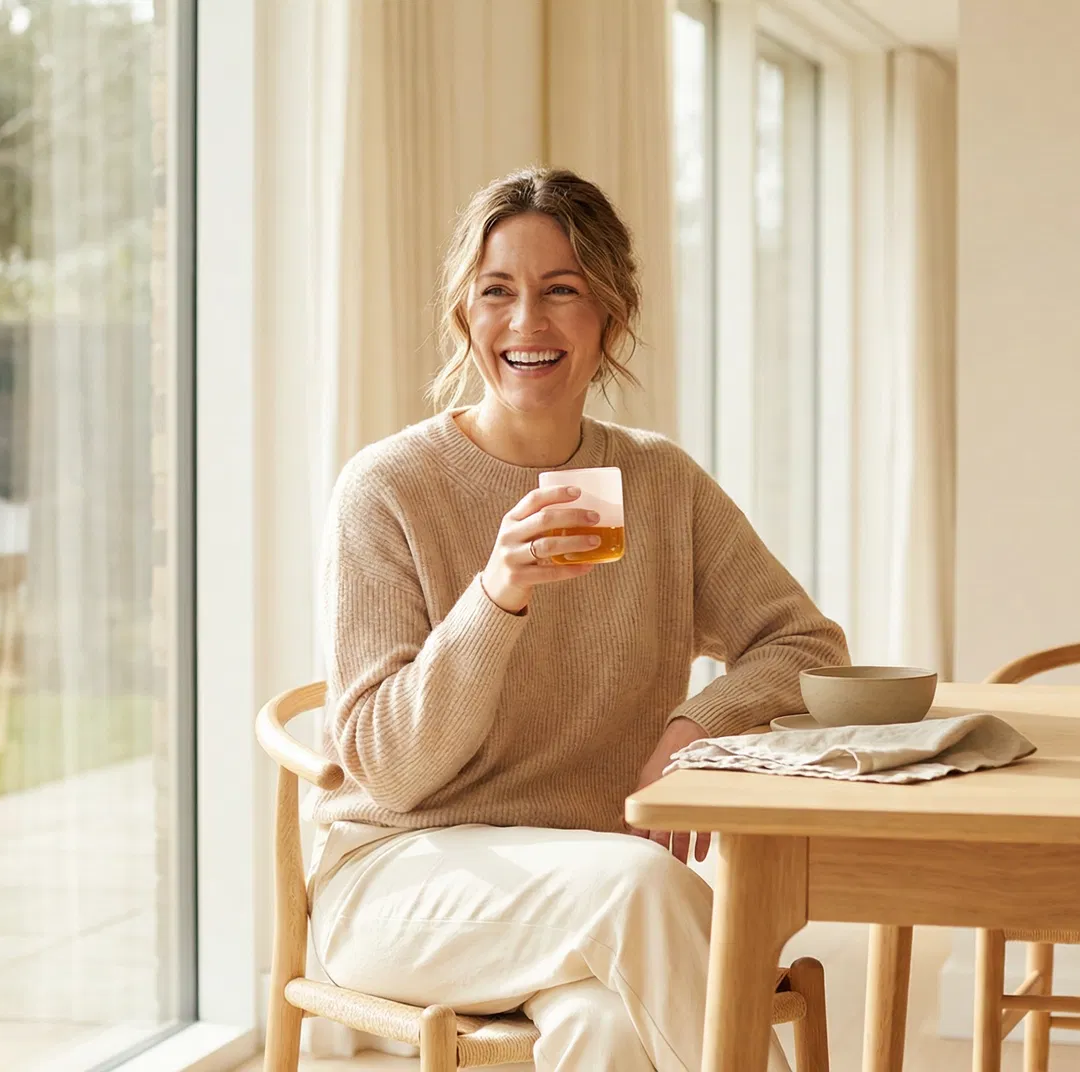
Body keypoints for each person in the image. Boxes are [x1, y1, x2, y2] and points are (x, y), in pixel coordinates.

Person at [308, 166, 849, 1071]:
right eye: (497, 293)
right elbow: (391, 771)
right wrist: (498, 596)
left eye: (563, 292)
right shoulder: (390, 488)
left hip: (580, 882)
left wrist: (694, 725)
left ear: (611, 318)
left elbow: (805, 644)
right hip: (401, 877)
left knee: (607, 1031)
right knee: (646, 884)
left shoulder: (659, 481)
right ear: (464, 318)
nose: (529, 323)